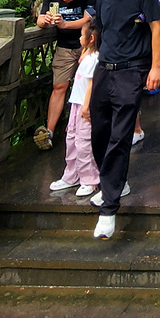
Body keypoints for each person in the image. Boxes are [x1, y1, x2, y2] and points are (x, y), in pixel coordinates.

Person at [88, 0, 160, 239]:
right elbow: (101, 29)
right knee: (98, 132)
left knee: (120, 136)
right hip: (104, 68)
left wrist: (156, 67)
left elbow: (157, 27)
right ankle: (114, 182)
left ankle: (108, 208)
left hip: (132, 69)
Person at [33, 0, 98, 152]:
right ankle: (49, 132)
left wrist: (64, 25)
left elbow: (88, 20)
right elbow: (40, 18)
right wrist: (44, 21)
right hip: (64, 46)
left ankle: (91, 128)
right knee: (59, 86)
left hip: (88, 46)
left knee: (91, 85)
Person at [52, 23, 101, 199]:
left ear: (91, 38)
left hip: (84, 104)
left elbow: (91, 84)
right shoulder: (87, 56)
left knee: (84, 142)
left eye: (82, 35)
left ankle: (89, 179)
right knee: (71, 138)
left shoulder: (95, 59)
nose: (79, 38)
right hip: (76, 102)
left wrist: (87, 106)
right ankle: (71, 175)